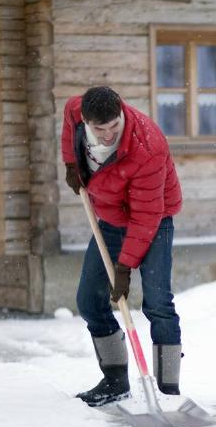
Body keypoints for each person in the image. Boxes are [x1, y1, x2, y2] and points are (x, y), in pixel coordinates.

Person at [60, 86, 184, 407]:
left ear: (121, 113)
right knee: (89, 300)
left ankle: (168, 392)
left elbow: (146, 216)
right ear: (87, 120)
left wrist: (125, 267)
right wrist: (71, 164)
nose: (107, 135)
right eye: (98, 129)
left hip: (154, 219)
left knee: (157, 302)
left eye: (113, 126)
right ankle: (115, 381)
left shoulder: (147, 146)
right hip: (112, 216)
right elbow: (69, 123)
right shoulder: (77, 111)